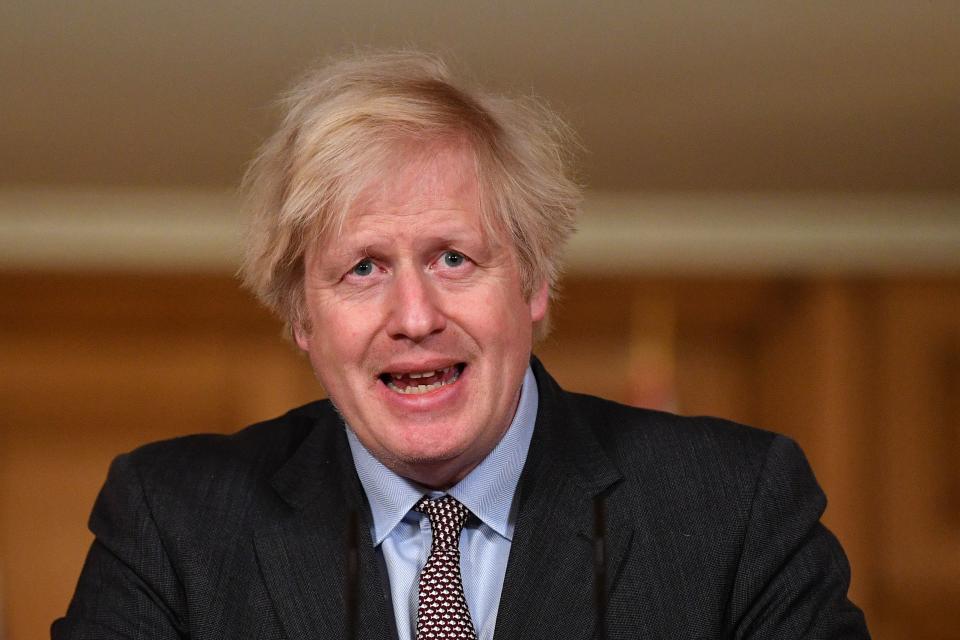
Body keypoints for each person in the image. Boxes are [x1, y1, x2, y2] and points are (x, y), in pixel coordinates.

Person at [53, 51, 870, 639]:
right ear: (303, 319)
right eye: (363, 267)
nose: (415, 316)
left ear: (533, 283)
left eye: (454, 257)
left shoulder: (734, 505)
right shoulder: (172, 521)